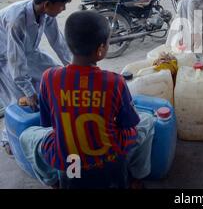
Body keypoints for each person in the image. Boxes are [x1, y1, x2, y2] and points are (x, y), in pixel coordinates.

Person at [19, 10, 155, 188]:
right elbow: (127, 124)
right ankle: (137, 177)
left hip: (70, 162)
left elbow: (49, 125)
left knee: (27, 136)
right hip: (110, 157)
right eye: (107, 42)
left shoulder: (49, 77)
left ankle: (53, 181)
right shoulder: (115, 82)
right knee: (147, 120)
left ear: (69, 45)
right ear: (100, 50)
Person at [0, 0, 73, 154]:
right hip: (4, 58)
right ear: (47, 4)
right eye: (61, 5)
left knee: (57, 75)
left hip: (28, 52)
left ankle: (50, 119)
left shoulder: (46, 14)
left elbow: (58, 42)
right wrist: (30, 92)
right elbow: (15, 60)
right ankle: (8, 139)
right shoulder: (16, 19)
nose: (63, 9)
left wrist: (72, 67)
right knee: (18, 100)